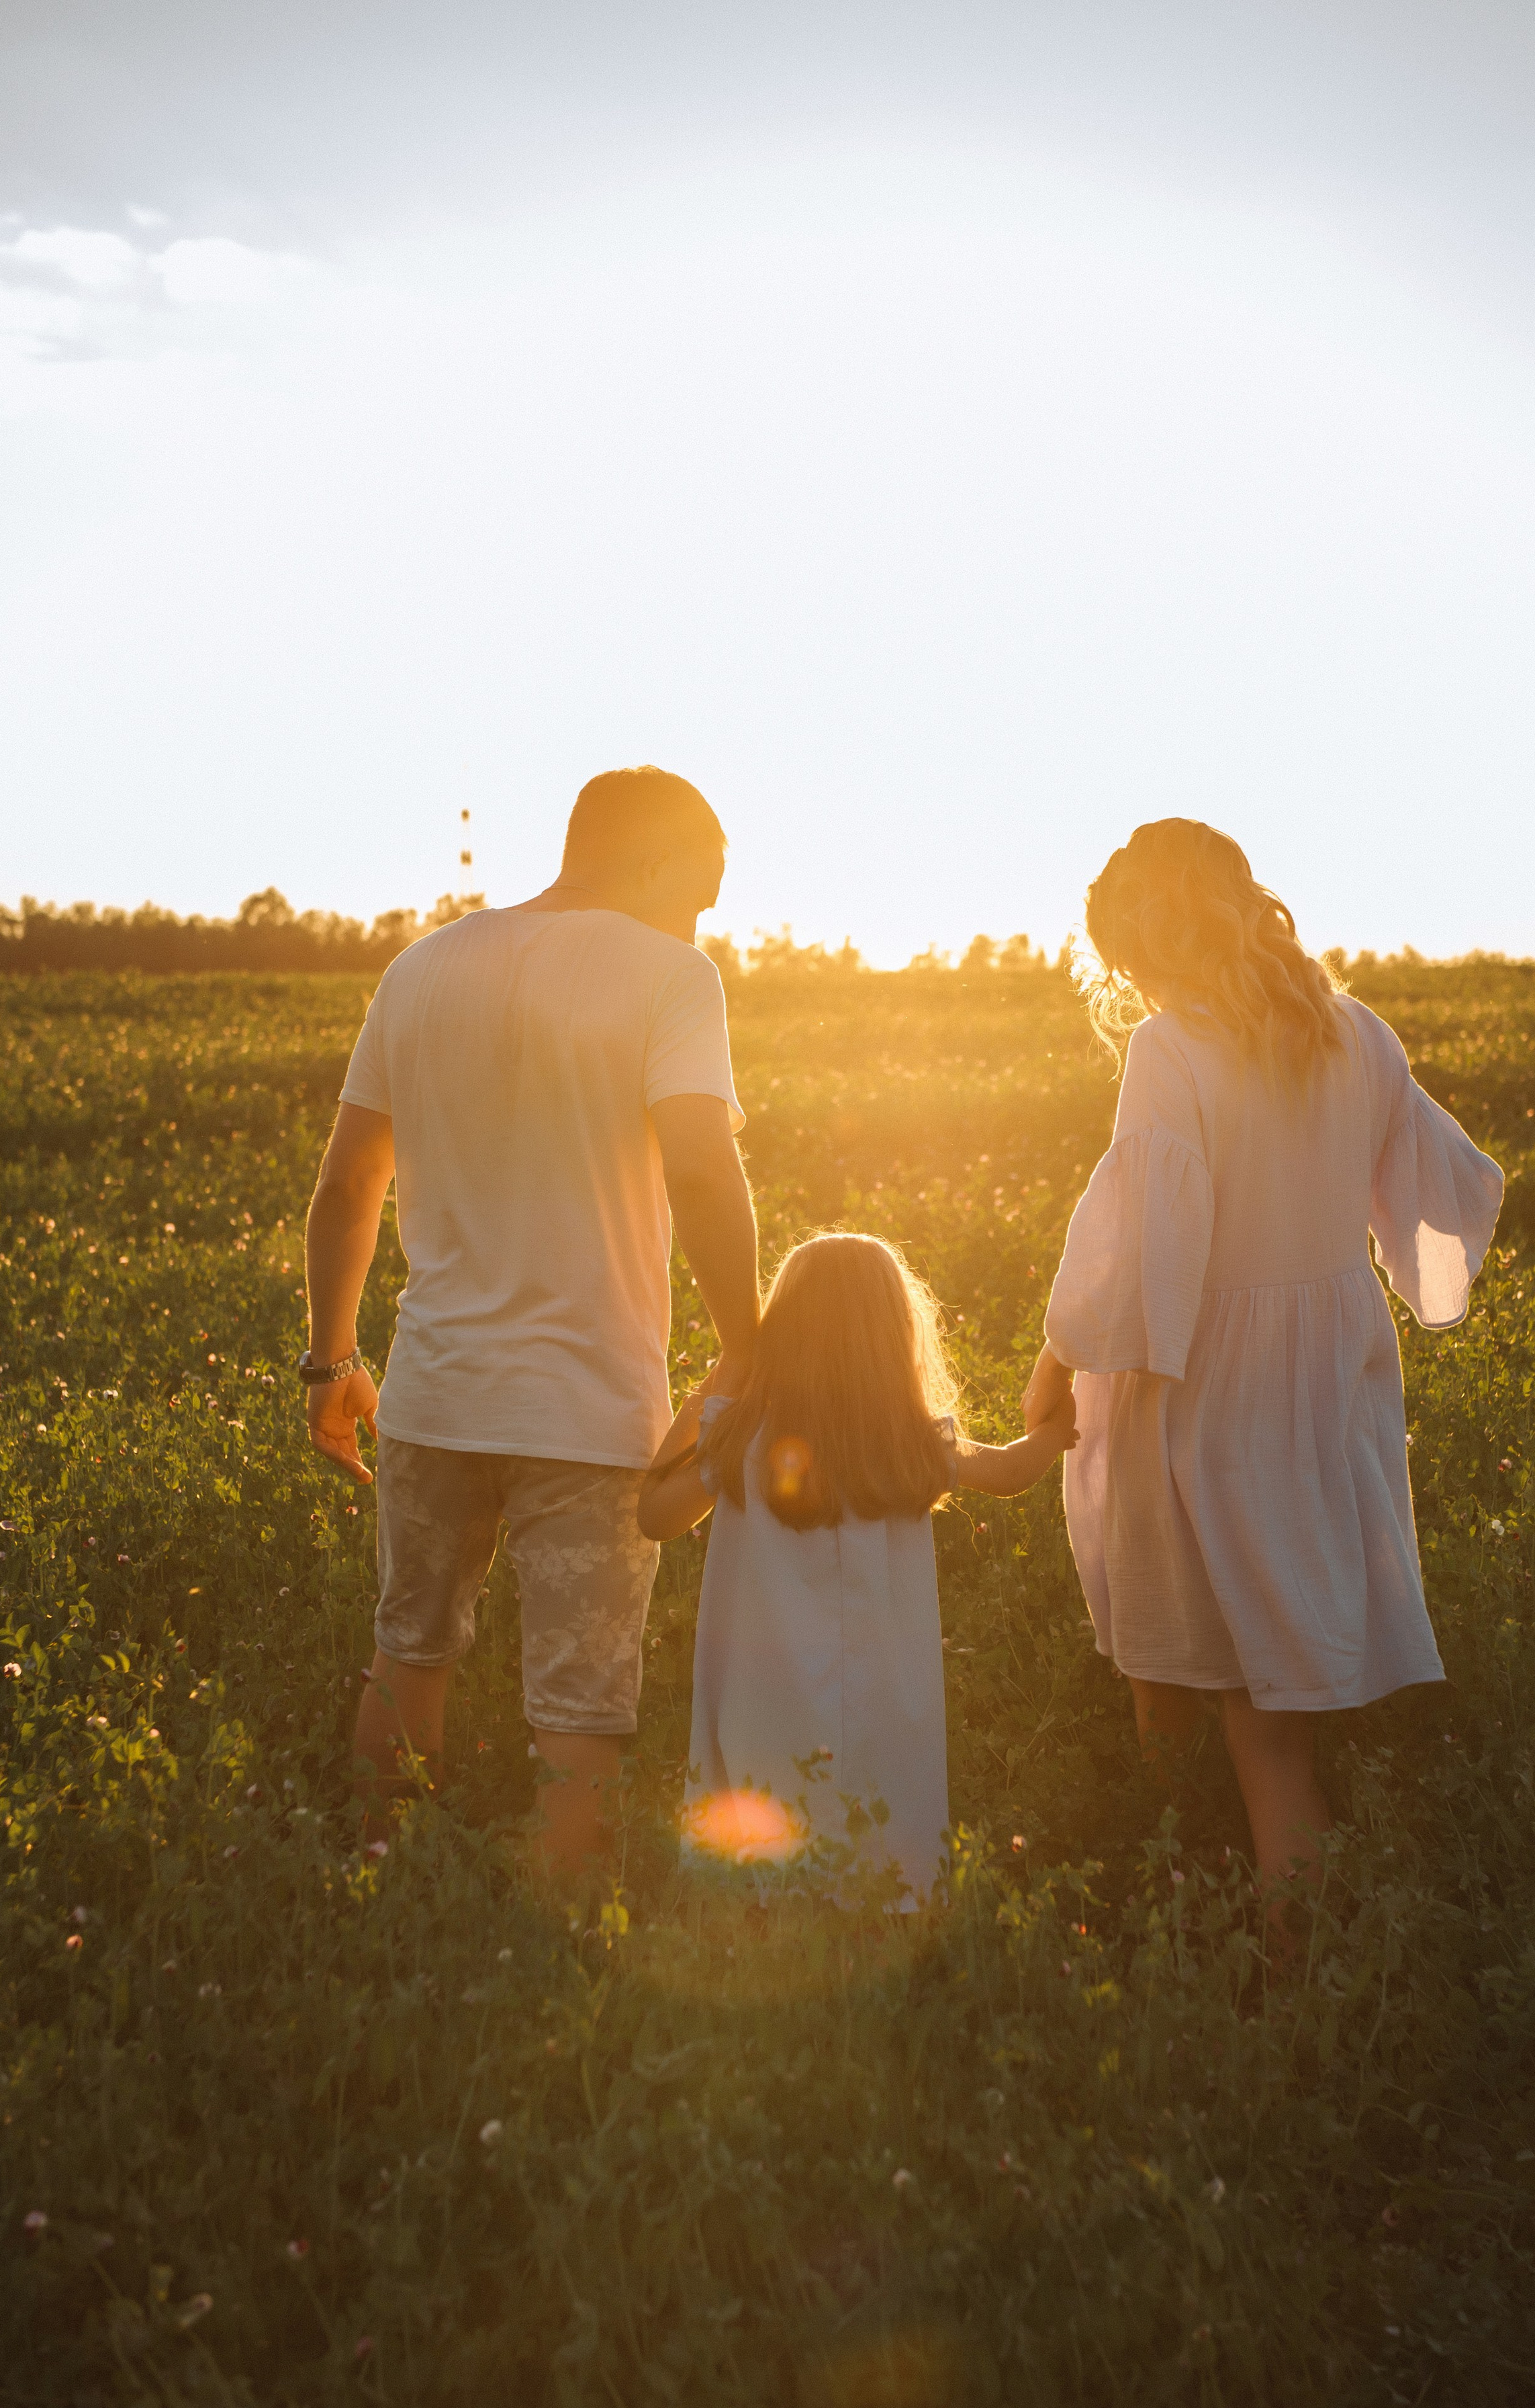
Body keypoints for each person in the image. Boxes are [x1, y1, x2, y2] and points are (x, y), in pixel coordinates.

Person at [1025, 818, 1503, 1909]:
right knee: (1271, 1719)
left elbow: (1145, 1242)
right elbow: (1444, 1186)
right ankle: (1304, 1981)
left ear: (1142, 949)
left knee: (1172, 1666)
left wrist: (1059, 1358)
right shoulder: (1359, 1035)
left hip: (1198, 1378)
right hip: (1328, 1379)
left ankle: (1178, 1906)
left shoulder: (1170, 1049)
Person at [302, 766, 759, 1872]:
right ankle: (561, 1974)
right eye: (702, 885)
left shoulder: (422, 968)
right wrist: (752, 1354)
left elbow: (351, 1181)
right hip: (590, 1413)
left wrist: (330, 1364)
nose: (704, 915)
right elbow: (702, 1168)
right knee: (582, 1708)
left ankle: (380, 1896)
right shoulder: (672, 976)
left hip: (433, 1395)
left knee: (406, 1654)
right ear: (651, 859)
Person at [639, 1231, 1080, 1907]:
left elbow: (654, 1515)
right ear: (895, 1335)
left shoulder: (738, 1434)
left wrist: (715, 1387)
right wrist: (1052, 1430)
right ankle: (874, 1946)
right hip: (881, 1691)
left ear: (780, 1330)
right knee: (881, 1831)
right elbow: (1013, 1471)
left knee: (764, 1836)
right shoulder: (908, 1442)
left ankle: (764, 1938)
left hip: (764, 1689)